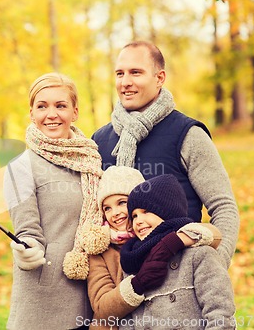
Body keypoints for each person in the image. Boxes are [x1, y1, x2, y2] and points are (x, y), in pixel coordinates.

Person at [92, 41, 239, 268]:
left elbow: (224, 208)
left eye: (136, 73)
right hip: (118, 282)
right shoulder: (99, 141)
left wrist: (212, 270)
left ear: (159, 78)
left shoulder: (188, 134)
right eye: (120, 74)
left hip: (177, 276)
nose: (125, 82)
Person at [3, 72, 109, 330]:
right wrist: (26, 250)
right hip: (46, 303)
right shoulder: (21, 166)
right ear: (31, 113)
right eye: (42, 106)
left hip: (95, 294)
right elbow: (27, 229)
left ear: (74, 112)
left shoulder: (92, 160)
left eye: (60, 105)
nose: (51, 114)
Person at [86, 166, 219, 330]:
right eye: (107, 208)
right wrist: (138, 283)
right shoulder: (101, 250)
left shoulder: (159, 233)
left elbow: (210, 234)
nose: (114, 213)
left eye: (122, 203)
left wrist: (172, 242)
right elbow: (102, 310)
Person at [119, 174, 236, 329]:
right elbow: (128, 322)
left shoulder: (199, 256)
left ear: (167, 210)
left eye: (146, 211)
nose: (138, 221)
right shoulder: (133, 264)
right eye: (134, 216)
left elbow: (220, 313)